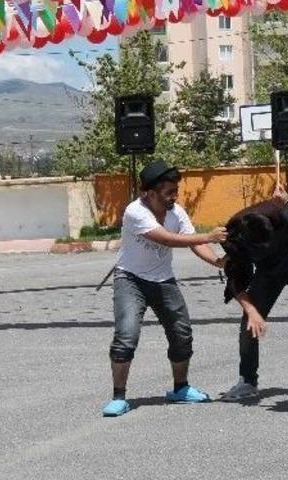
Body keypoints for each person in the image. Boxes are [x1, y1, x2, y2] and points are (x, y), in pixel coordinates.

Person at [102, 160, 227, 417]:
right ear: (148, 193)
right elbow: (168, 239)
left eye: (175, 191)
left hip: (163, 280)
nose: (174, 196)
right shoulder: (135, 212)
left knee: (182, 333)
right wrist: (209, 236)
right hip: (131, 279)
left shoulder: (176, 212)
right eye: (168, 192)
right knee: (127, 335)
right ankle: (118, 397)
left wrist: (217, 261)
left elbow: (193, 242)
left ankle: (180, 389)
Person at [218, 197, 288, 400]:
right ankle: (247, 381)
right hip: (268, 272)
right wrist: (252, 311)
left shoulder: (285, 214)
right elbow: (235, 279)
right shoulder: (235, 234)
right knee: (248, 322)